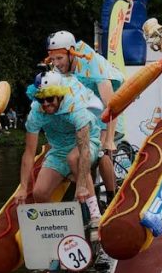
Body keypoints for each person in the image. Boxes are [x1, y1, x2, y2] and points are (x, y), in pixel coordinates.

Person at [14, 70, 103, 225]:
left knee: (73, 158)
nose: (46, 104)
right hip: (59, 149)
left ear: (60, 95)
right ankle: (59, 225)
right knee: (39, 193)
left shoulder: (74, 107)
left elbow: (84, 150)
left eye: (50, 99)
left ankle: (95, 213)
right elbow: (29, 153)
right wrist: (22, 187)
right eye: (42, 100)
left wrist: (81, 186)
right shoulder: (36, 112)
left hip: (86, 143)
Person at [44, 31, 123, 203]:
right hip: (85, 112)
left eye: (59, 59)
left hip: (107, 111)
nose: (56, 64)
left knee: (101, 152)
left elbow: (111, 104)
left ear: (71, 52)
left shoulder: (90, 61)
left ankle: (112, 196)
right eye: (53, 59)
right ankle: (89, 197)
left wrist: (109, 138)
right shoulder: (57, 65)